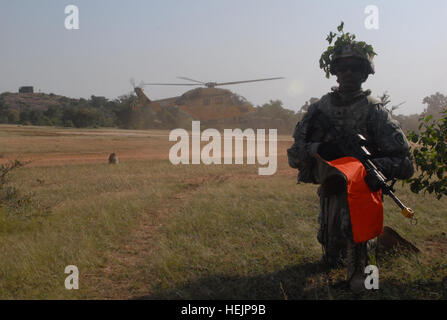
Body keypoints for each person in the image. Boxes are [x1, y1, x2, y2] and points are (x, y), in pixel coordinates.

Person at [287, 38, 414, 292]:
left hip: (362, 191)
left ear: (366, 73)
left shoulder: (375, 111)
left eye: (355, 67)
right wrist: (319, 149)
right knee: (331, 252)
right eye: (342, 67)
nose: (348, 73)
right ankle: (360, 247)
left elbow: (405, 163)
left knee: (357, 268)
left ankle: (363, 263)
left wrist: (367, 167)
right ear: (333, 72)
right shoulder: (319, 109)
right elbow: (294, 154)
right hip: (332, 189)